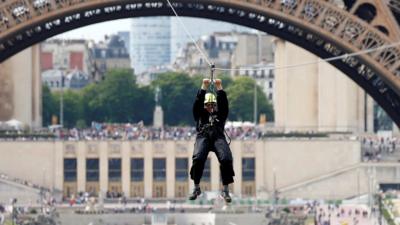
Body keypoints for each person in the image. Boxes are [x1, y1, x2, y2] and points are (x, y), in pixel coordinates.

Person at [189, 78, 235, 203]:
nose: (210, 107)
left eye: (212, 105)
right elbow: (197, 104)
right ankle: (196, 187)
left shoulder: (220, 114)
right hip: (203, 136)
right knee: (198, 158)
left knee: (226, 158)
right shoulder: (199, 115)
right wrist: (203, 87)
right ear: (204, 106)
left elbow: (224, 105)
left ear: (215, 105)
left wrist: (220, 87)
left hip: (218, 137)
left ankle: (225, 189)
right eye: (207, 105)